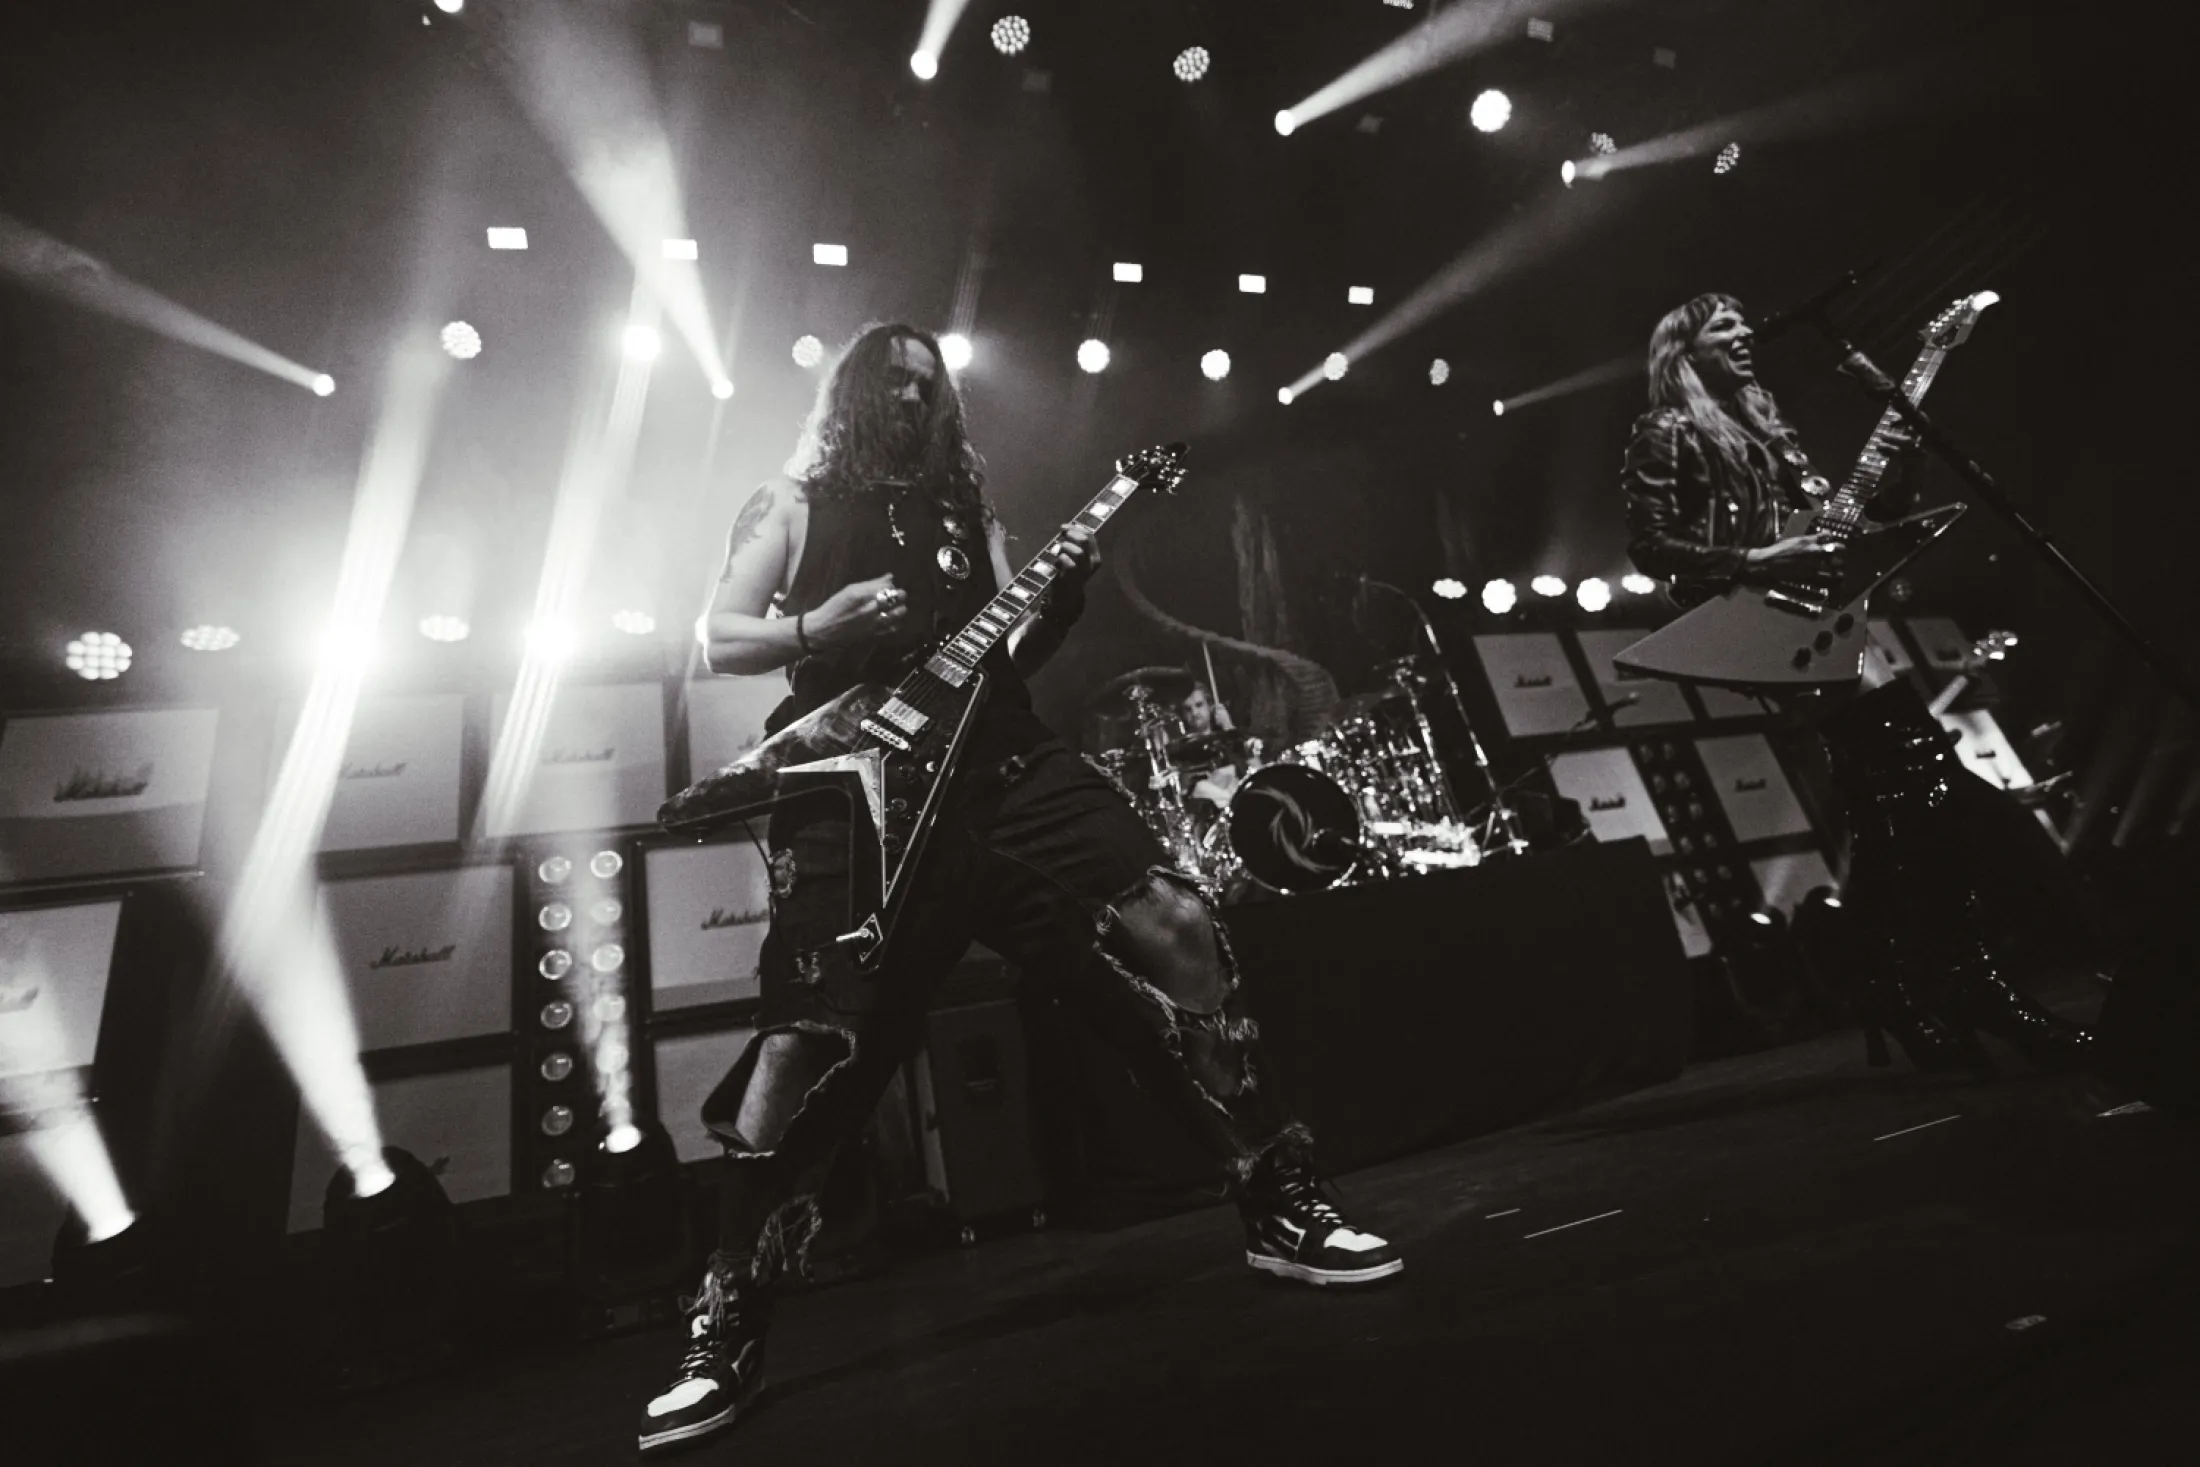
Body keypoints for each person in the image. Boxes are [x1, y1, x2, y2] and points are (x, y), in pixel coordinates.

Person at [640, 323, 1401, 1454]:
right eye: (892, 380)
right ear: (851, 392)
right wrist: (816, 624)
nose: (912, 397)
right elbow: (720, 637)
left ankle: (1278, 1199)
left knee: (1175, 922)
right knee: (802, 1046)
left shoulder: (967, 512)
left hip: (1003, 762)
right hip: (854, 784)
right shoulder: (789, 502)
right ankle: (727, 1320)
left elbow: (1011, 648)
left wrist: (1062, 594)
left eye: (928, 384)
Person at [1618, 292, 2089, 1075]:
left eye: (1745, 320)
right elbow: (1650, 543)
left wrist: (1906, 451)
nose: (1745, 331)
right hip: (1760, 626)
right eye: (1724, 326)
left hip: (1827, 621)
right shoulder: (1666, 429)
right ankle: (1963, 981)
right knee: (1923, 775)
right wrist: (1759, 560)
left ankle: (1900, 985)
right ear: (1683, 351)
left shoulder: (1766, 423)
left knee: (1891, 805)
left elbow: (1850, 521)